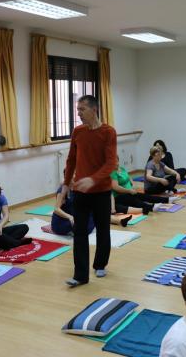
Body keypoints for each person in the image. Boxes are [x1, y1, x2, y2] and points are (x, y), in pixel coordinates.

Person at [61, 95, 117, 287]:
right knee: (79, 232)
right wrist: (66, 183)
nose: (79, 114)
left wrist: (93, 179)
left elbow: (111, 163)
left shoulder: (108, 132)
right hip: (80, 192)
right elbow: (71, 160)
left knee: (103, 229)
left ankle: (100, 263)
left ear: (94, 110)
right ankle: (80, 275)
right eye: (77, 110)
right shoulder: (78, 132)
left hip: (101, 191)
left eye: (82, 110)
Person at [52, 185, 132, 234]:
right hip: (63, 220)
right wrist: (70, 217)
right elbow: (56, 209)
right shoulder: (62, 191)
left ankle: (120, 221)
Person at [112, 156, 178, 214]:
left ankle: (167, 200)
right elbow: (116, 187)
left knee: (144, 196)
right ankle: (151, 207)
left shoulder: (122, 169)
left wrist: (131, 183)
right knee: (135, 201)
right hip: (119, 196)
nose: (116, 163)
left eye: (117, 161)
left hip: (129, 192)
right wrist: (129, 191)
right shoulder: (112, 173)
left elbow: (129, 177)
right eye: (113, 162)